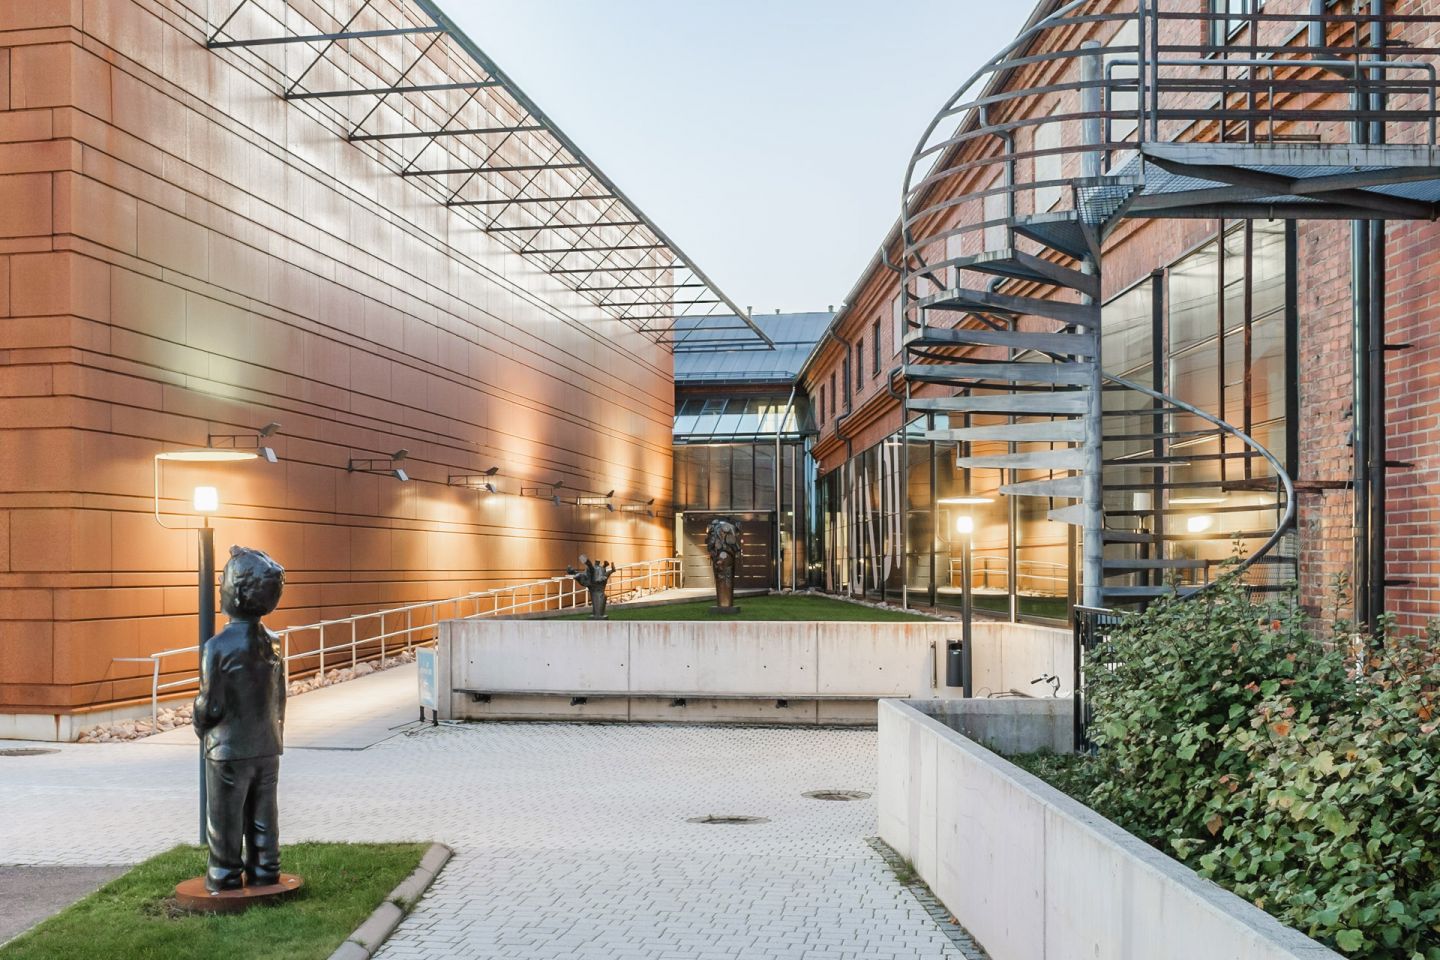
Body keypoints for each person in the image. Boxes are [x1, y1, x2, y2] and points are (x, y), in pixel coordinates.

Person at [192, 546, 287, 892]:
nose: (218, 588)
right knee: (264, 816)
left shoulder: (216, 647)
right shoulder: (273, 643)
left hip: (228, 748)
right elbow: (280, 698)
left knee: (225, 818)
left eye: (222, 582)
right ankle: (266, 869)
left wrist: (199, 721)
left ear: (236, 591)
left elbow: (211, 705)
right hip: (266, 746)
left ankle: (225, 873)